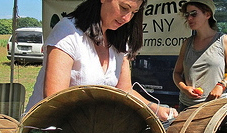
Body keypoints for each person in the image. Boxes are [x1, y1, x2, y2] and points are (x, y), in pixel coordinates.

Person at [25, 0, 177, 121]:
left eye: (134, 12)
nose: (127, 18)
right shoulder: (68, 33)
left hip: (87, 132)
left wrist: (154, 108)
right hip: (50, 131)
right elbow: (55, 100)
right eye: (124, 8)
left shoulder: (118, 40)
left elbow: (125, 90)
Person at [173, 0, 227, 112]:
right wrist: (184, 88)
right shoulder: (187, 43)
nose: (189, 18)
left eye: (194, 14)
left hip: (215, 107)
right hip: (187, 107)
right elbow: (176, 73)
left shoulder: (224, 41)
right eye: (187, 15)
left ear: (207, 14)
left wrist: (221, 85)